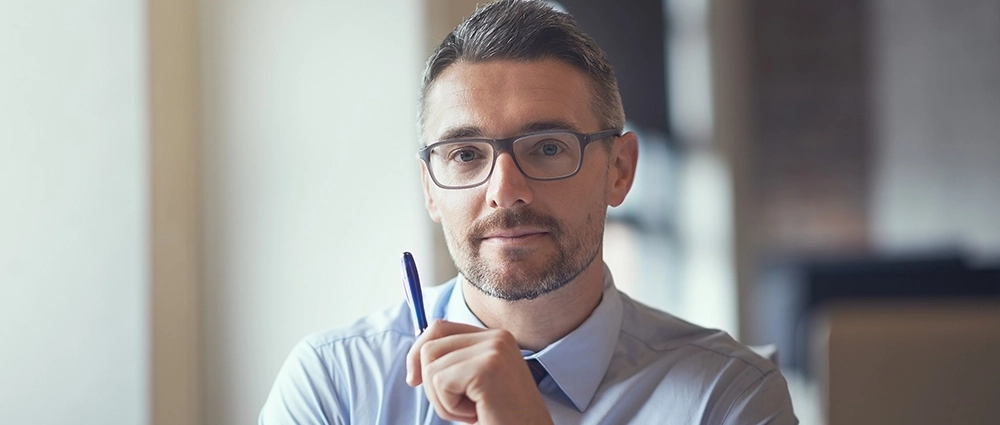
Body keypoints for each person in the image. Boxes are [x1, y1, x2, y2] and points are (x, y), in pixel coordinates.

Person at [259, 1, 797, 424]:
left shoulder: (727, 400)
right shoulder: (335, 384)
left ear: (620, 170)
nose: (505, 191)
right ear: (430, 189)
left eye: (546, 147)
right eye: (466, 155)